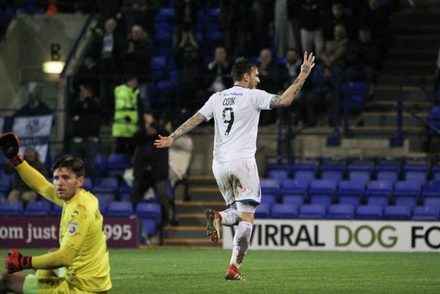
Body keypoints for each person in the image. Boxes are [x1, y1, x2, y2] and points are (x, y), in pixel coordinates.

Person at [155, 52, 315, 280]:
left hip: (218, 165)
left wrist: (172, 137)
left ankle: (220, 218)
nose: (259, 80)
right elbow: (285, 100)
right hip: (242, 163)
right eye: (256, 75)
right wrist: (304, 74)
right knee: (247, 218)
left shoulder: (217, 97)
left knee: (236, 212)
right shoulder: (253, 96)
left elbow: (196, 118)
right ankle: (233, 267)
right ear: (247, 77)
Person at [0, 133, 112, 293]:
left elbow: (65, 257)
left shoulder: (80, 210)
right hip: (92, 283)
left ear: (80, 181)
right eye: (57, 178)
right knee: (52, 254)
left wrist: (23, 262)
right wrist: (16, 160)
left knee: (7, 279)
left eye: (66, 177)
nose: (60, 183)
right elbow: (42, 186)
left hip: (79, 289)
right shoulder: (81, 197)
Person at [131, 113, 172, 225]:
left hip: (158, 174)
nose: (149, 127)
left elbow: (166, 133)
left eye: (151, 125)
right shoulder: (143, 137)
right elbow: (134, 138)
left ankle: (166, 219)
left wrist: (152, 122)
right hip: (143, 174)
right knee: (134, 195)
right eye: (147, 125)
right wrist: (146, 127)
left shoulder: (162, 138)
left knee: (162, 196)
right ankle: (132, 219)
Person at [70, 83, 103, 182]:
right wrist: (81, 101)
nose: (82, 94)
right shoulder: (77, 103)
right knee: (75, 166)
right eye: (81, 92)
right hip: (77, 139)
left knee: (90, 165)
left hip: (91, 139)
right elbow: (72, 111)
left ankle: (92, 186)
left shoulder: (95, 103)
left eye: (85, 92)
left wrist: (88, 99)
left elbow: (97, 109)